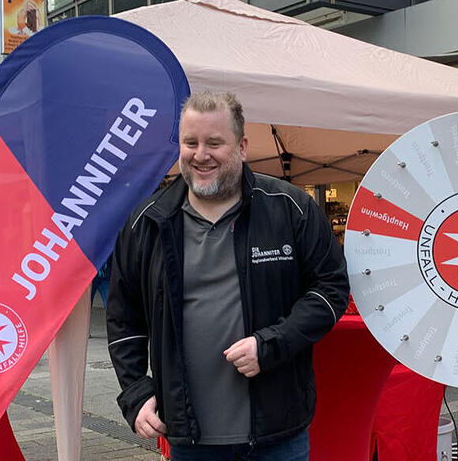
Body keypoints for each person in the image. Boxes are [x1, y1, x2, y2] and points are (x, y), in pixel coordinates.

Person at [106, 91, 349, 460]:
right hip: (190, 439)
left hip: (278, 434)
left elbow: (330, 290)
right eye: (191, 142)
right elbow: (125, 318)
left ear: (242, 146)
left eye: (214, 143)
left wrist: (271, 344)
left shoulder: (290, 208)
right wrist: (136, 392)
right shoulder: (148, 223)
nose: (200, 155)